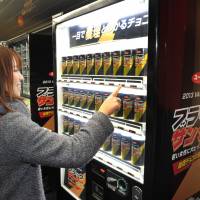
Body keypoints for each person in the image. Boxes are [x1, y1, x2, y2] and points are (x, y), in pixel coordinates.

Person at [0, 45, 122, 200]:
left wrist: (34, 137)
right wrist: (103, 113)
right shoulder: (11, 125)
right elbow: (75, 151)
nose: (22, 77)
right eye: (15, 70)